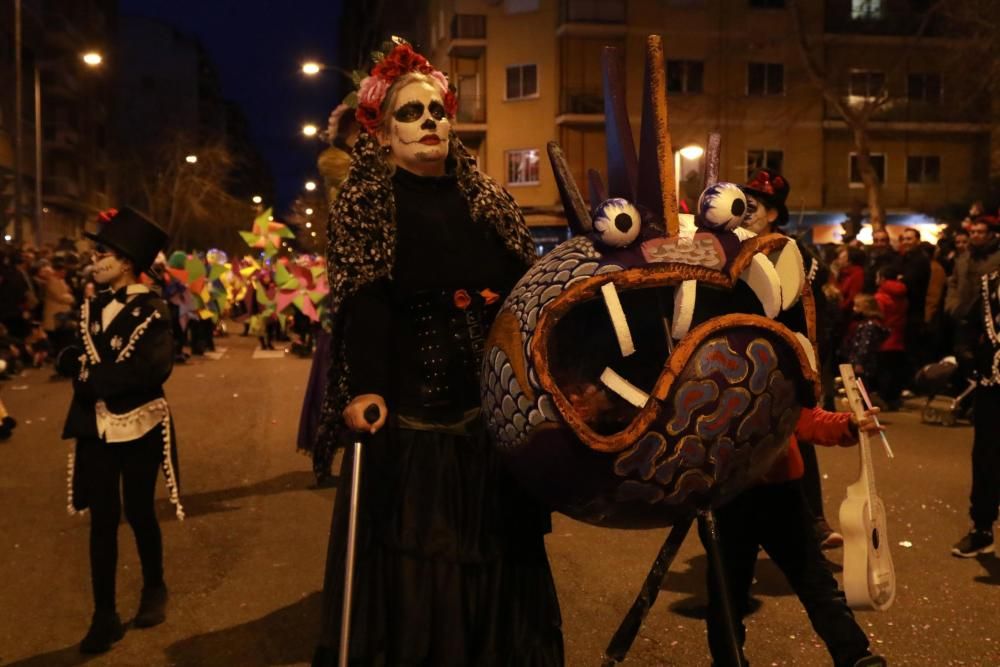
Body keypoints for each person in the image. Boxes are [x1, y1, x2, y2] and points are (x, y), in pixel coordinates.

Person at [312, 41, 563, 665]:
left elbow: (526, 299)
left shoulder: (490, 201)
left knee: (500, 550)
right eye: (411, 112)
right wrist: (365, 388)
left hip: (491, 417)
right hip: (413, 422)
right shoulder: (369, 204)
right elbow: (364, 303)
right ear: (382, 132)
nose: (430, 121)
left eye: (438, 110)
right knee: (427, 558)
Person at [57, 207, 181, 654]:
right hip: (96, 427)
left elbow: (152, 369)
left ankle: (154, 587)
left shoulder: (154, 309)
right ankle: (104, 614)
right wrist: (70, 359)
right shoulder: (92, 305)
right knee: (102, 521)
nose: (96, 258)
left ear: (127, 261)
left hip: (138, 423)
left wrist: (90, 378)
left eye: (103, 251)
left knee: (140, 510)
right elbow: (80, 354)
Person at [704, 404, 887, 667]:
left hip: (780, 493)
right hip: (724, 497)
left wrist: (849, 424)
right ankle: (727, 661)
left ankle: (855, 656)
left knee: (817, 584)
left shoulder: (774, 365)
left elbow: (805, 417)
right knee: (727, 595)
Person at [741, 169, 841, 548]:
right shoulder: (730, 250)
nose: (746, 213)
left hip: (785, 364)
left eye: (754, 207)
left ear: (772, 214)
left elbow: (816, 319)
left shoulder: (793, 254)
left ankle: (812, 521)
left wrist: (812, 369)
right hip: (741, 365)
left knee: (798, 441)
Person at [950, 267, 1000, 557]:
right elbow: (967, 323)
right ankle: (982, 530)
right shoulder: (989, 283)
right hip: (991, 383)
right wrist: (965, 351)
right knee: (985, 457)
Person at [945, 218, 1000, 323]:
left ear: (990, 234)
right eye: (972, 232)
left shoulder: (997, 258)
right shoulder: (964, 257)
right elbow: (953, 283)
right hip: (963, 314)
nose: (975, 235)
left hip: (990, 317)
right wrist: (952, 306)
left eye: (980, 232)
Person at [840, 294, 889, 398]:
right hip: (864, 361)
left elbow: (864, 345)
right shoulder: (867, 323)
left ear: (866, 307)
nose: (854, 309)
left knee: (861, 387)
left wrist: (859, 362)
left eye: (857, 306)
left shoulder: (868, 325)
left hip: (862, 363)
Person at [874, 263, 908, 410]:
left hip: (884, 339)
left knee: (883, 371)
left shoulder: (880, 297)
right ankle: (894, 399)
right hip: (899, 337)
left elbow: (878, 317)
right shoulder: (903, 296)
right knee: (895, 371)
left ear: (882, 278)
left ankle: (884, 400)